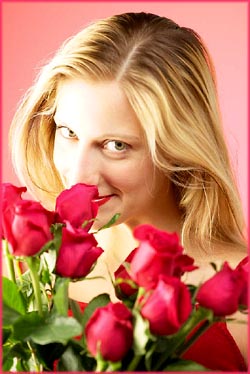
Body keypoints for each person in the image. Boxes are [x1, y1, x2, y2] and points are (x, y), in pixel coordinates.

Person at [9, 12, 247, 370]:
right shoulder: (20, 265)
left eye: (116, 145)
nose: (78, 174)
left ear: (178, 148)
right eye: (68, 133)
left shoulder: (237, 293)